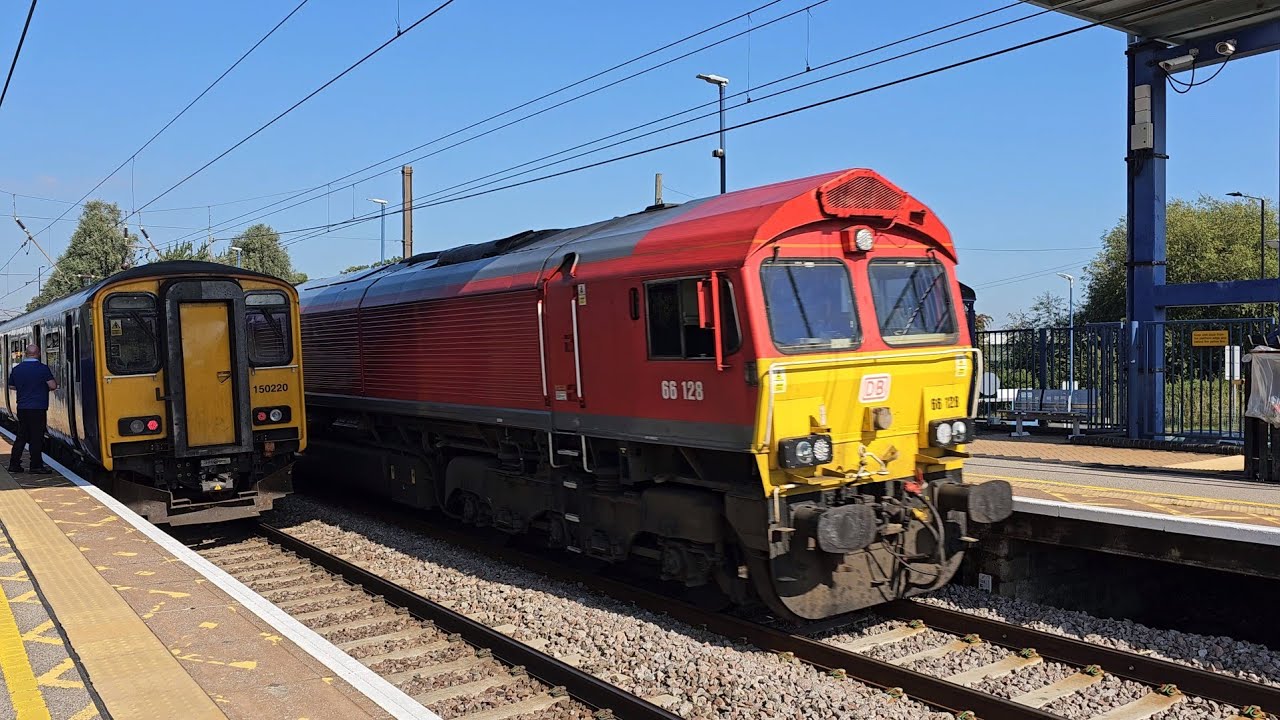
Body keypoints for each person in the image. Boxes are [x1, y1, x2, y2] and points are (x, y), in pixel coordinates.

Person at [8, 344, 56, 473]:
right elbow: (52, 385)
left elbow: (12, 386)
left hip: (22, 407)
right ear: (38, 353)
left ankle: (14, 464)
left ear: (26, 353)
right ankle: (36, 465)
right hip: (38, 407)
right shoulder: (42, 369)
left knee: (22, 436)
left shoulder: (17, 369)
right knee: (36, 437)